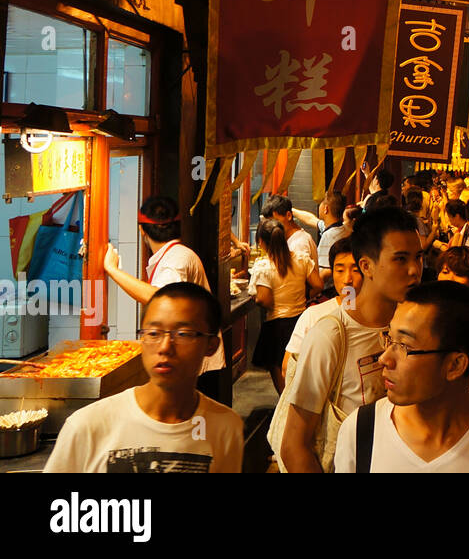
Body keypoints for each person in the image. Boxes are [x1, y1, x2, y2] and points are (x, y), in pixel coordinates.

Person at [334, 282, 469, 473]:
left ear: (455, 365)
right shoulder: (362, 429)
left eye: (405, 346)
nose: (385, 358)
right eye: (389, 338)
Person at [278, 207, 422, 473]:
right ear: (366, 266)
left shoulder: (420, 327)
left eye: (418, 257)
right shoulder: (331, 334)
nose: (414, 270)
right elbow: (293, 445)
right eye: (400, 259)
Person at [45, 282, 242, 473]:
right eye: (154, 333)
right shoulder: (87, 427)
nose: (165, 347)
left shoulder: (226, 428)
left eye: (183, 334)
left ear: (211, 346)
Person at [103, 195, 225, 388]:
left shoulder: (174, 261)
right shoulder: (177, 254)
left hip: (195, 364)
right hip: (193, 357)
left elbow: (159, 298)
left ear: (142, 229)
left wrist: (112, 270)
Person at [250, 218, 323, 393]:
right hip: (299, 321)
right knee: (297, 369)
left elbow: (264, 299)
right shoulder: (301, 259)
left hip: (276, 326)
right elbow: (318, 285)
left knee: (279, 372)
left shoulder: (264, 266)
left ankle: (286, 410)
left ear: (261, 241)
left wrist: (261, 300)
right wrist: (303, 297)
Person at [283, 238, 363, 387]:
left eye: (355, 270)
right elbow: (288, 367)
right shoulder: (313, 315)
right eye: (340, 270)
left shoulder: (381, 315)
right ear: (332, 273)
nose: (347, 279)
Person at [290, 191, 347, 276]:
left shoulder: (329, 236)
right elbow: (310, 219)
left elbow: (326, 270)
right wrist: (291, 210)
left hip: (327, 288)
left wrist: (315, 286)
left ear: (326, 209)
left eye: (321, 203)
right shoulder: (338, 228)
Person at [263, 194, 316, 264]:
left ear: (289, 215)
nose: (272, 226)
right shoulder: (287, 238)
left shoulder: (299, 244)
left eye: (275, 221)